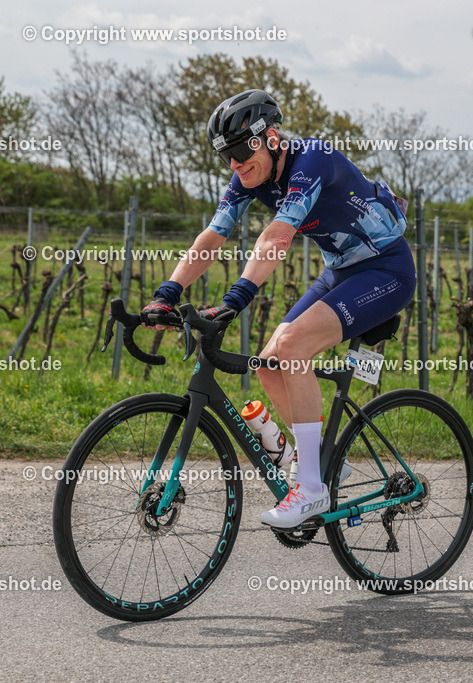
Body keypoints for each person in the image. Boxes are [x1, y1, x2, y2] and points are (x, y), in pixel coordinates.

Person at [141, 89, 416, 528]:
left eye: (238, 151)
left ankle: (310, 489)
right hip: (343, 271)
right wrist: (166, 293)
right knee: (268, 362)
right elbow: (212, 239)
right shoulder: (249, 176)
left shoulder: (313, 159)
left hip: (386, 271)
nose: (233, 163)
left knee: (290, 348)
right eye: (224, 156)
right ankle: (326, 460)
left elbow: (276, 239)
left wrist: (235, 301)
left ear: (269, 138)